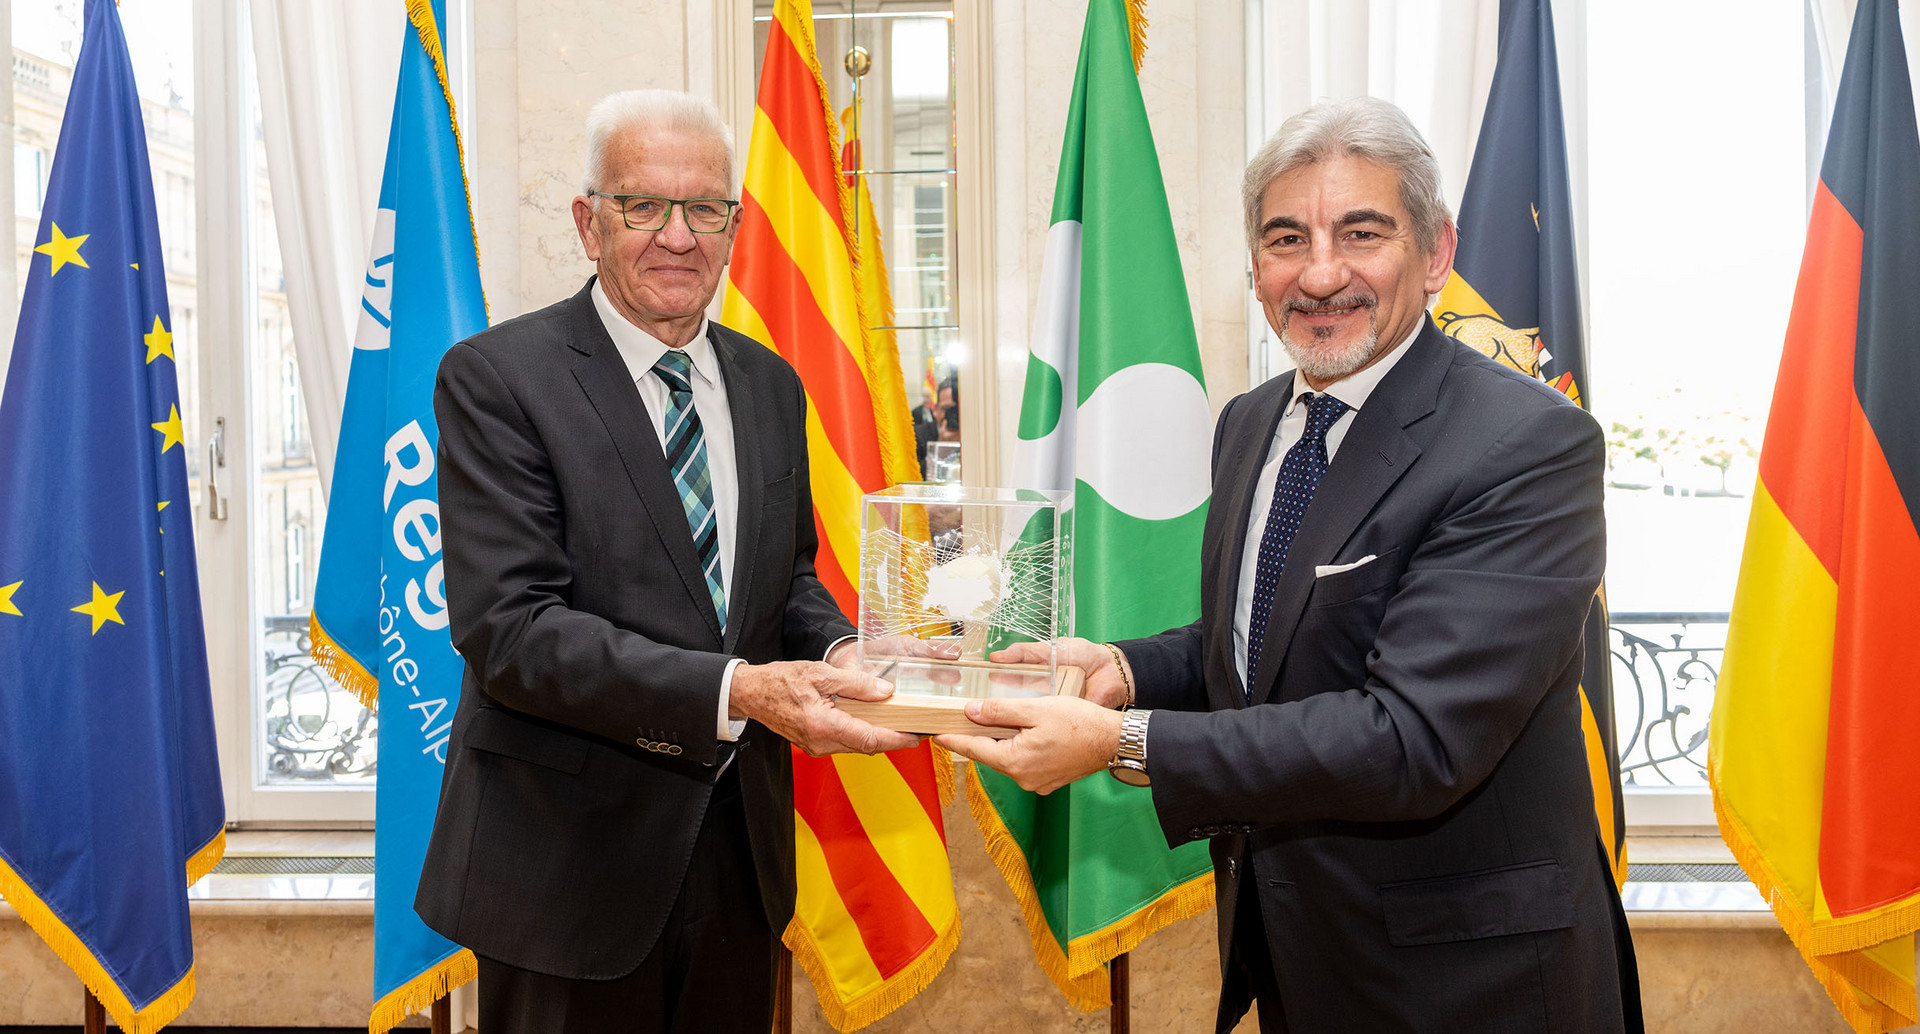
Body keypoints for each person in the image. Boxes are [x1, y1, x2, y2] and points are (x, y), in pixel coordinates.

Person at [939, 97, 1642, 1033]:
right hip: (1305, 959)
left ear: (1435, 253)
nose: (1320, 273)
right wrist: (1125, 669)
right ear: (1254, 267)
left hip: (1475, 984)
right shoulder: (1252, 422)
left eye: (1362, 232)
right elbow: (1265, 641)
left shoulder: (1526, 445)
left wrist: (1125, 740)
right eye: (1285, 239)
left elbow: (1412, 737)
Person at [415, 89, 918, 1033]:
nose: (676, 236)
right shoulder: (498, 379)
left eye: (704, 209)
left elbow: (787, 579)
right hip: (565, 873)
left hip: (740, 863)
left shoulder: (770, 384)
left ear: (735, 226)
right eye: (642, 205)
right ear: (587, 222)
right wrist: (739, 691)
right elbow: (511, 631)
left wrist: (847, 650)